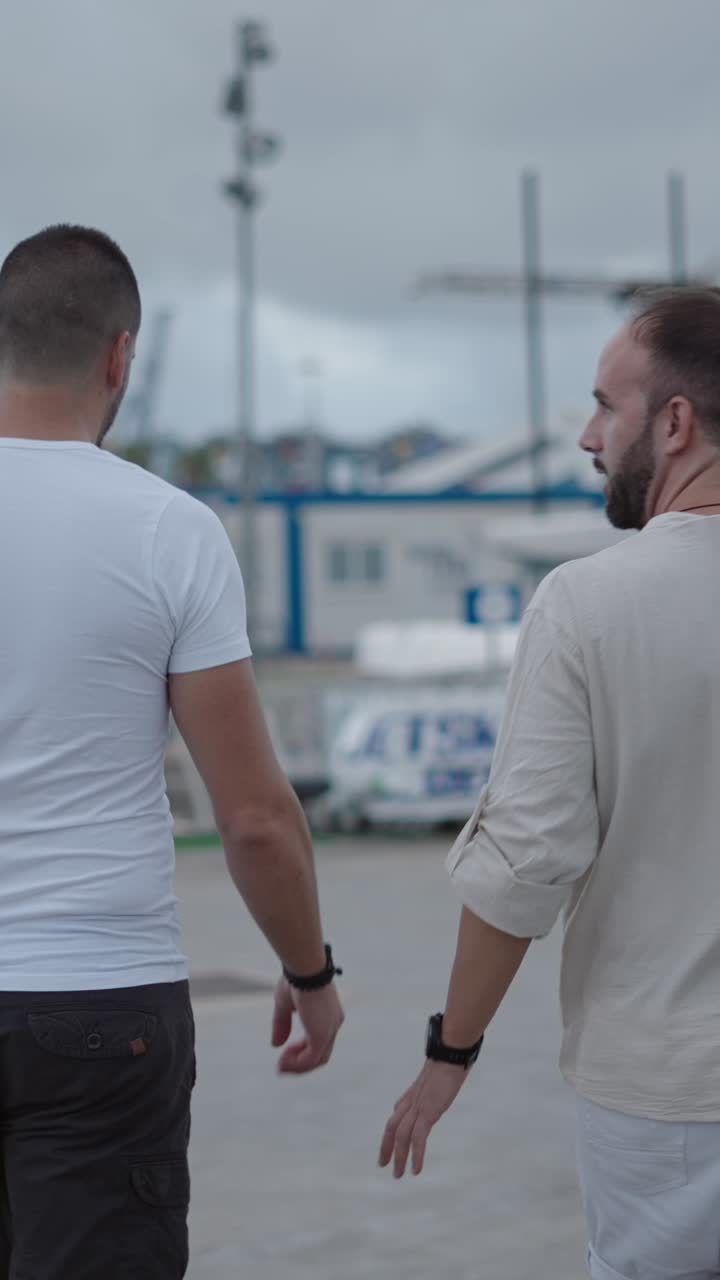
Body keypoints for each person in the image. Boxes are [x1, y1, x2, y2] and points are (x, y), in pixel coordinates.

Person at [0, 224, 343, 1279]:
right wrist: (309, 970)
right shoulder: (169, 530)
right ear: (121, 357)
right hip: (98, 1003)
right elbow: (254, 816)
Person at [380, 287, 720, 1280]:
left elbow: (526, 859)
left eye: (605, 407)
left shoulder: (589, 602)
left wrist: (452, 1049)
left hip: (671, 1094)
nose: (587, 435)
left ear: (675, 421)